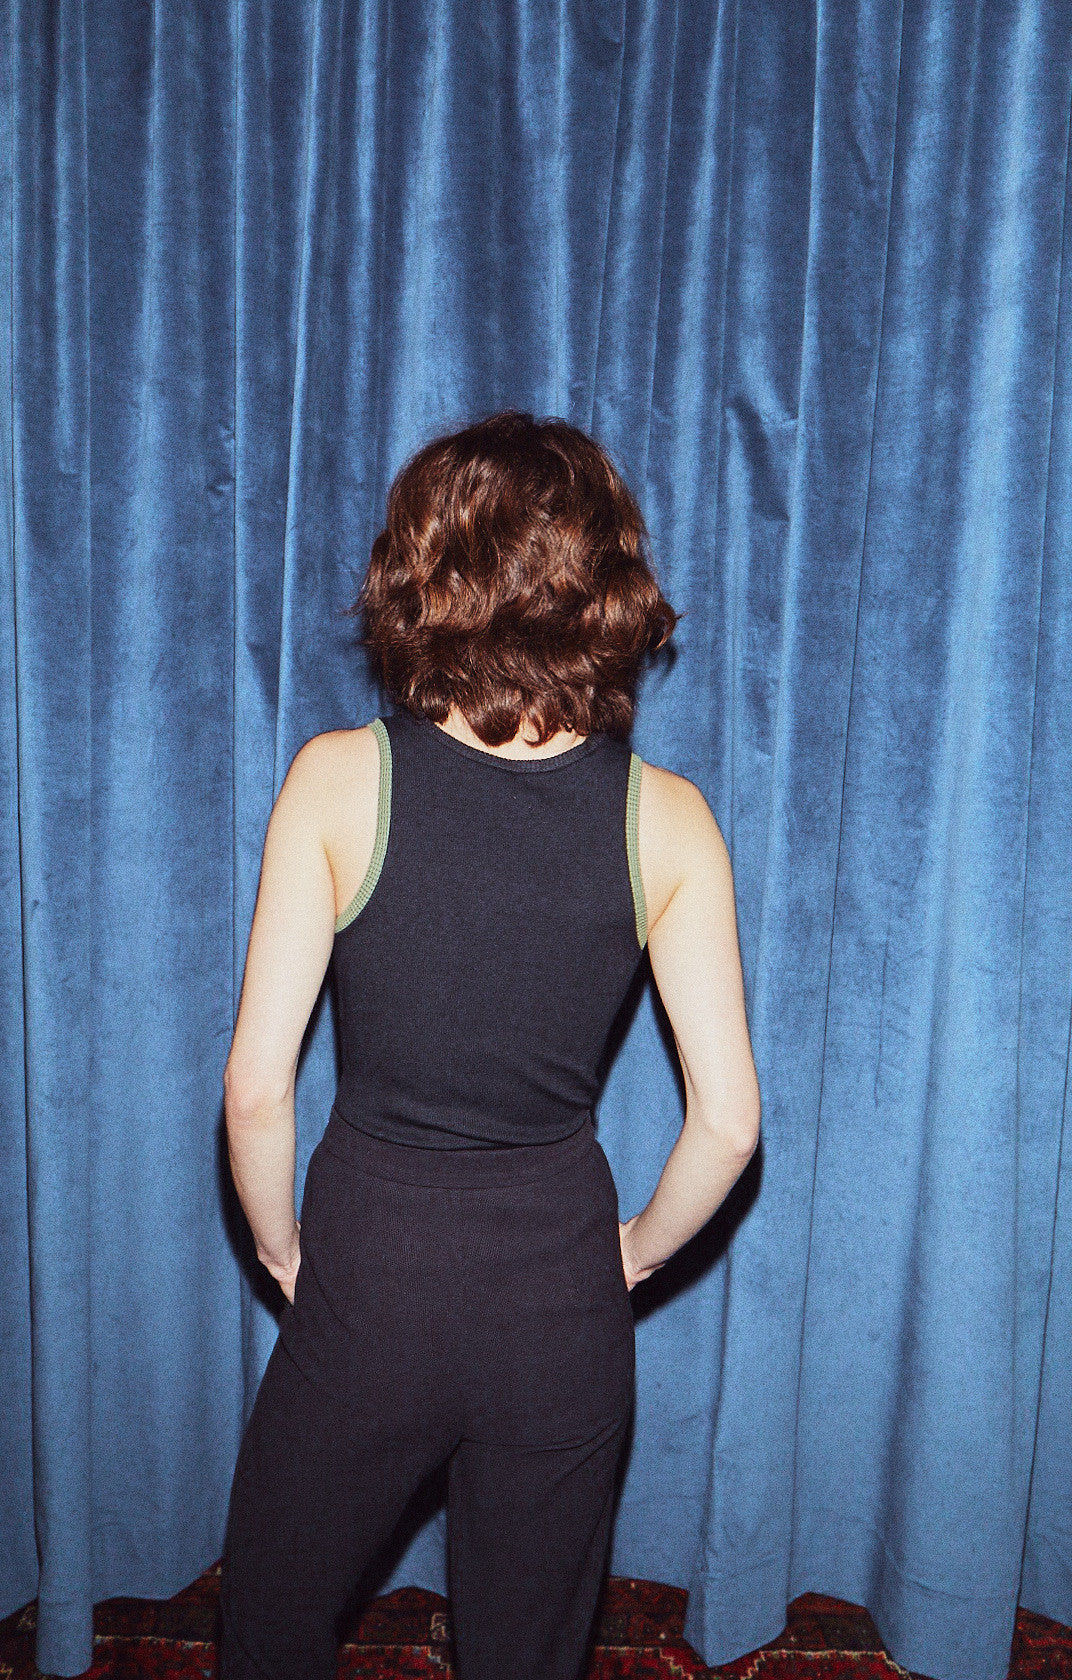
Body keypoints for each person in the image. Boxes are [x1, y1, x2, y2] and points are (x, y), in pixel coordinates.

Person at [218, 411, 761, 1680]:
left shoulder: (338, 779)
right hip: (559, 1305)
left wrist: (281, 1248)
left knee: (272, 1629)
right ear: (607, 584)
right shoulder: (669, 819)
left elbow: (254, 1091)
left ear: (422, 571)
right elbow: (730, 1122)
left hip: (369, 1282)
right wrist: (628, 1256)